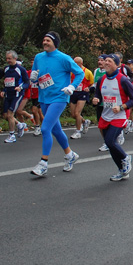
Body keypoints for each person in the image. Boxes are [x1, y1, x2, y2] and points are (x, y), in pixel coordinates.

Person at [29, 31, 84, 177]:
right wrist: (33, 78)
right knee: (55, 130)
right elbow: (36, 76)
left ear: (55, 43)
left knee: (45, 128)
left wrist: (72, 86)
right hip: (44, 97)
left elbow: (80, 73)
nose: (45, 42)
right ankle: (70, 154)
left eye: (48, 40)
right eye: (44, 40)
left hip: (59, 97)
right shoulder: (39, 57)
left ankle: (43, 163)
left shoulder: (63, 58)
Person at [92, 54, 133, 181]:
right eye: (105, 61)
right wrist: (96, 99)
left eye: (109, 61)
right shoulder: (101, 79)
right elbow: (97, 93)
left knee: (109, 141)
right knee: (110, 145)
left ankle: (125, 158)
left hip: (120, 115)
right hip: (106, 115)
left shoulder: (123, 80)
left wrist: (122, 107)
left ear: (117, 64)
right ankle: (122, 170)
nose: (106, 63)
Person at [0, 50, 29, 143]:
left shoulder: (21, 69)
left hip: (17, 95)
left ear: (15, 58)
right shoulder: (6, 69)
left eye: (10, 58)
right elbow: (6, 81)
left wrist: (21, 87)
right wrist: (3, 90)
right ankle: (20, 125)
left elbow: (27, 82)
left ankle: (12, 135)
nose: (8, 60)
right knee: (5, 115)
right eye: (7, 58)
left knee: (10, 114)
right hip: (8, 94)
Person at [69, 56, 94, 139]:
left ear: (81, 63)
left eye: (76, 63)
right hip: (73, 93)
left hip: (82, 93)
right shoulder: (72, 72)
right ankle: (84, 121)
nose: (74, 65)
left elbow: (93, 83)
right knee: (73, 115)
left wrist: (89, 88)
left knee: (77, 113)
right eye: (74, 63)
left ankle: (78, 131)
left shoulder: (87, 72)